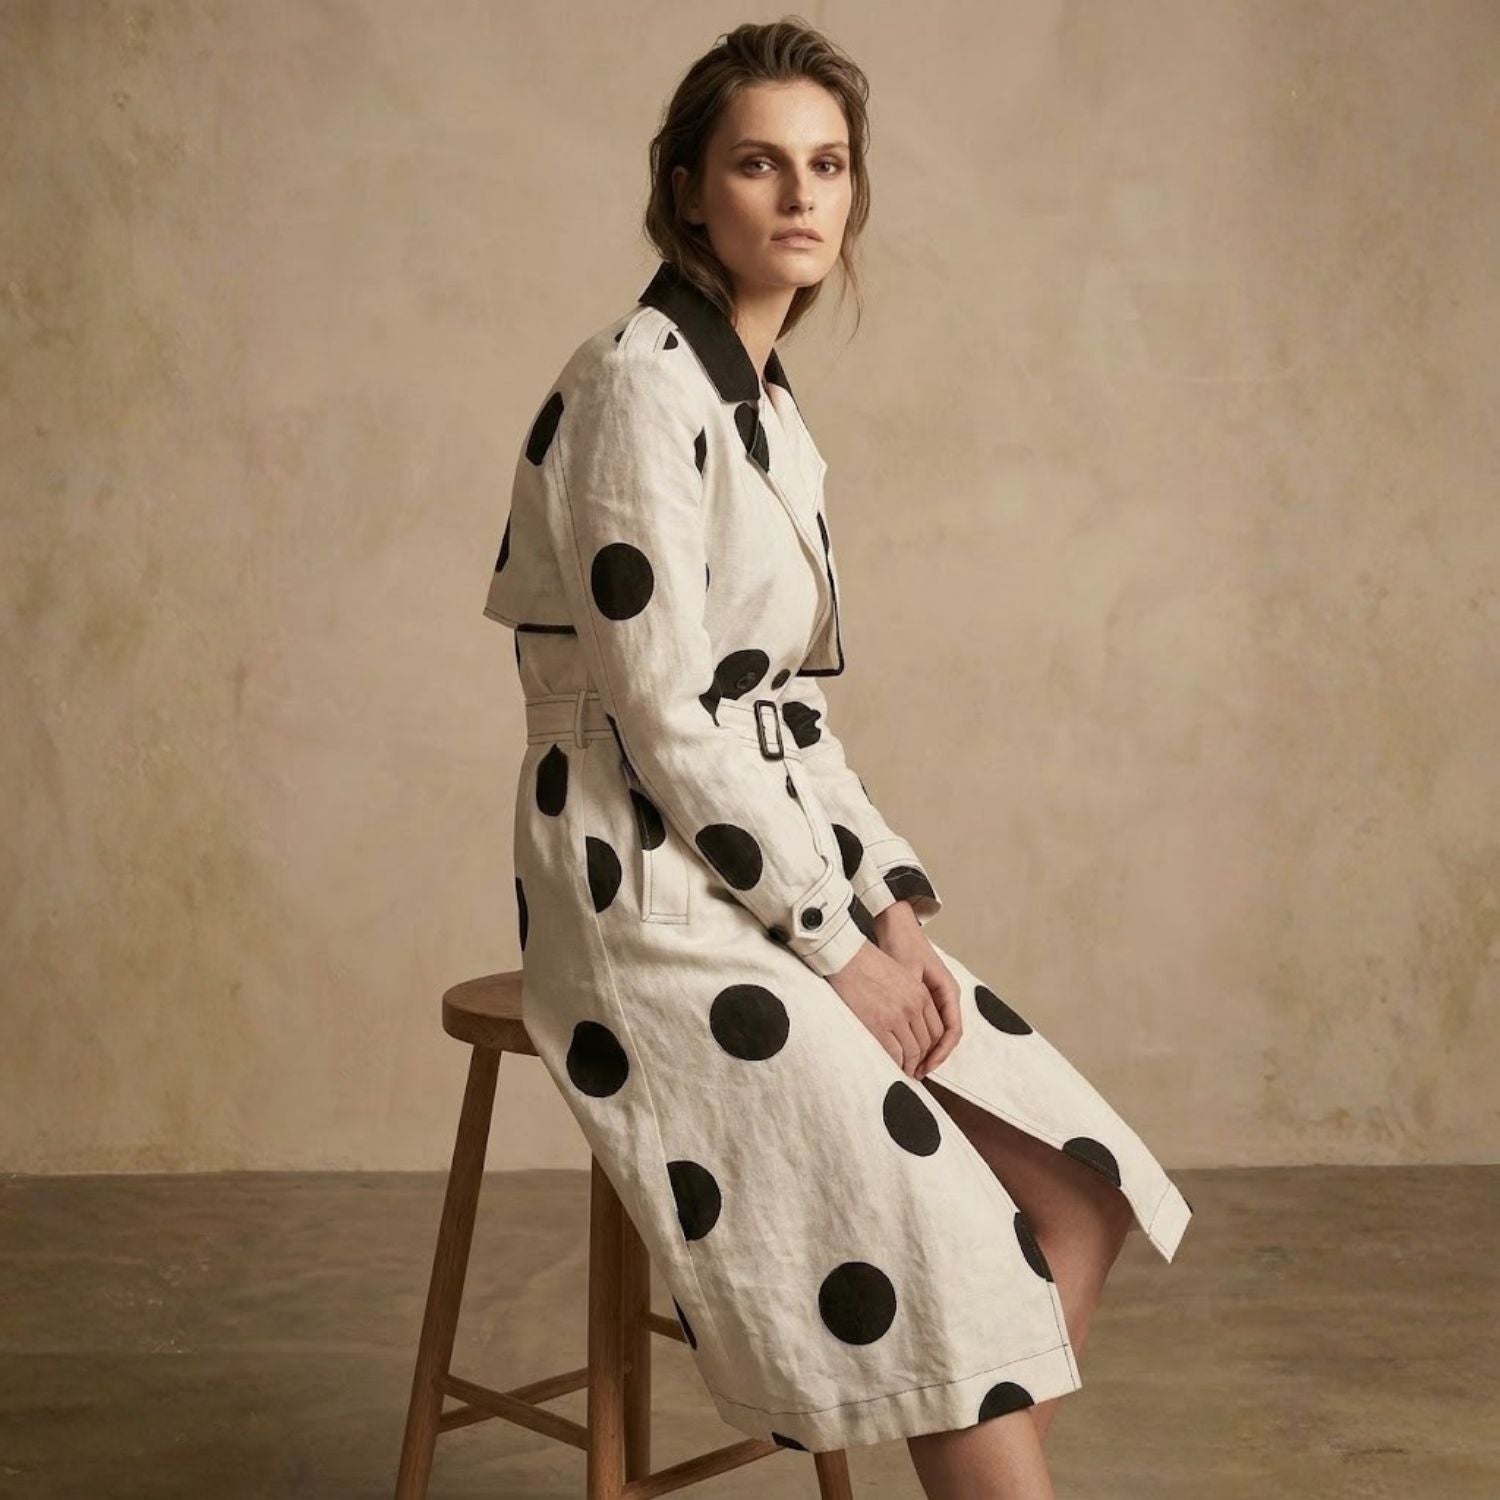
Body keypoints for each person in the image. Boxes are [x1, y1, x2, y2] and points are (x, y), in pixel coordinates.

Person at [482, 19, 1193, 1498]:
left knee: (1078, 1189)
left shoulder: (774, 417)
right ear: (689, 193)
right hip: (640, 886)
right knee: (948, 1241)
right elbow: (669, 718)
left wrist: (890, 908)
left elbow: (793, 715)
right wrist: (831, 940)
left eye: (828, 165)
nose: (800, 197)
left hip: (768, 867)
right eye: (758, 163)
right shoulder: (636, 381)